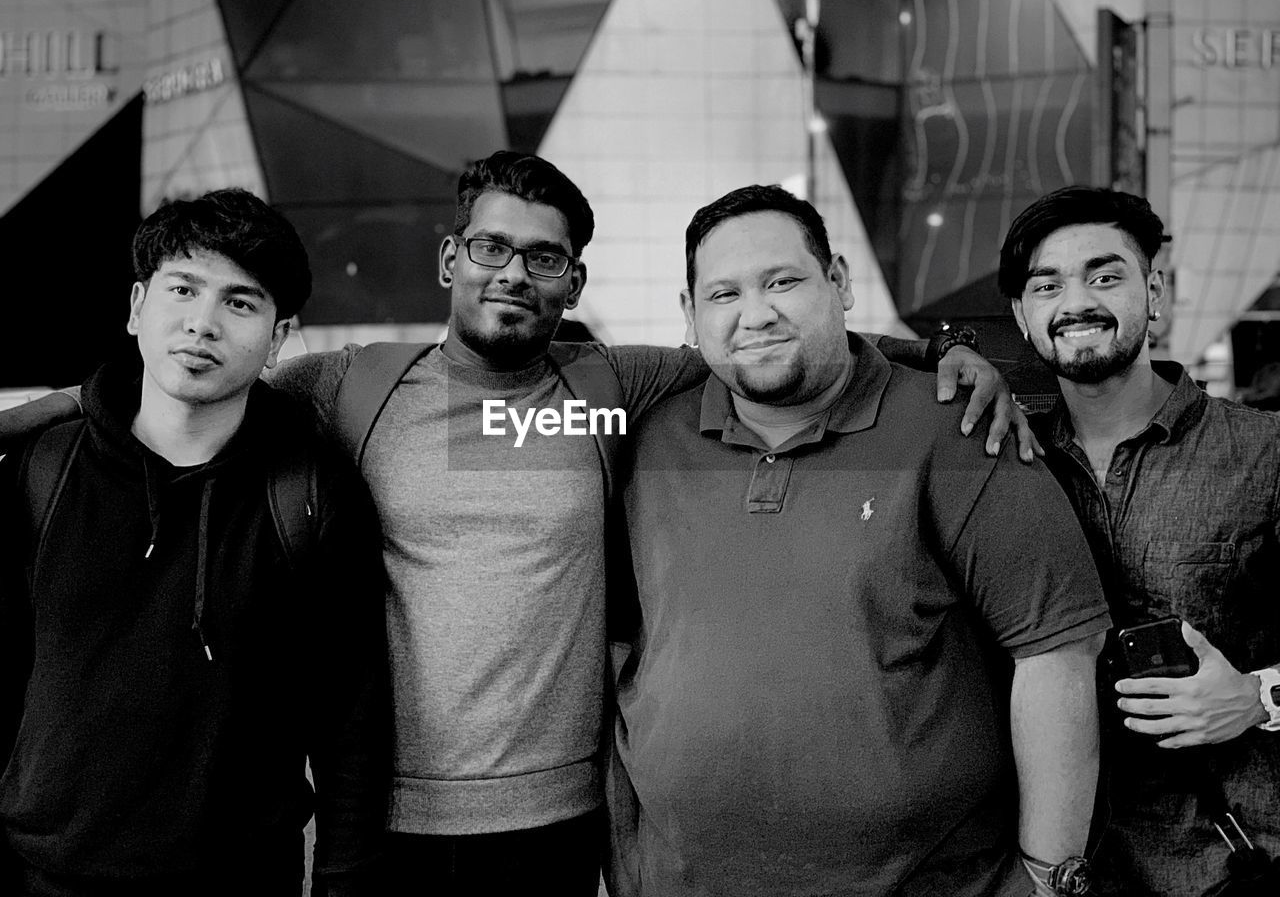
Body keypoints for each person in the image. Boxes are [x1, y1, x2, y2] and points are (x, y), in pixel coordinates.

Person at [0, 151, 1034, 894]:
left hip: (555, 822)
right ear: (451, 260)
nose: (514, 272)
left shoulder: (605, 387)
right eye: (492, 247)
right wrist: (46, 411)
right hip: (380, 822)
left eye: (544, 259)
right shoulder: (355, 386)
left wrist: (939, 352)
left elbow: (763, 341)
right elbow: (187, 386)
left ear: (572, 283)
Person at [609, 184, 1111, 897]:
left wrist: (1047, 878)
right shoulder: (649, 437)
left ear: (838, 282)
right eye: (724, 294)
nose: (756, 314)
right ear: (689, 316)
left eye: (783, 281)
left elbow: (1058, 649)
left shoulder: (961, 427)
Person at [0, 190, 391, 896]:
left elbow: (352, 723)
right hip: (47, 875)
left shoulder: (311, 493)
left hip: (240, 879)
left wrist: (343, 881)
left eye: (241, 303)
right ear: (136, 306)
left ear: (278, 338)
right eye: (183, 289)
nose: (202, 324)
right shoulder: (43, 471)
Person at [999, 186, 1280, 896]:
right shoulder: (1002, 458)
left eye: (1105, 275)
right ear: (1021, 315)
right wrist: (944, 351)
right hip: (1053, 867)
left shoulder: (1264, 452)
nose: (1077, 302)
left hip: (1229, 862)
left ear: (1153, 290)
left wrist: (1257, 696)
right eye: (1047, 285)